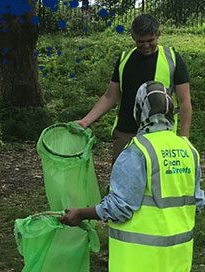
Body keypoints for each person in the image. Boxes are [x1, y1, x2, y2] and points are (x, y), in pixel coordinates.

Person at [60, 81, 205, 272]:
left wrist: (81, 214)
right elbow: (198, 201)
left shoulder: (138, 152)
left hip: (141, 266)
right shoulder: (187, 150)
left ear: (139, 110)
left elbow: (120, 207)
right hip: (174, 262)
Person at [74, 14, 193, 165]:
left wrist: (184, 138)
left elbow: (185, 101)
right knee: (122, 183)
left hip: (161, 135)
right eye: (140, 41)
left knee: (156, 184)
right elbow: (110, 96)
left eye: (150, 40)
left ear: (158, 34)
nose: (146, 45)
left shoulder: (173, 60)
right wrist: (86, 121)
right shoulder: (124, 59)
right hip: (126, 134)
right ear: (133, 37)